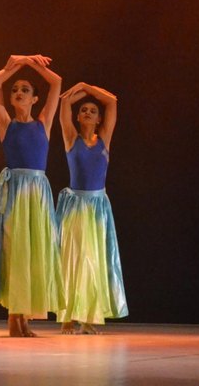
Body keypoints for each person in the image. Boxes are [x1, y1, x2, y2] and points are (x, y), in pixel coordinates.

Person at [0, 54, 64, 337]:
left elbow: (57, 83)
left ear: (34, 99)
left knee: (34, 253)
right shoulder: (6, 122)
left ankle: (24, 319)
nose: (18, 93)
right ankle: (14, 319)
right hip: (16, 192)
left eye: (25, 90)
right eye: (15, 90)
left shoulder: (44, 121)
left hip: (38, 193)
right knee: (15, 251)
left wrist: (32, 64)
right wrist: (16, 63)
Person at [57, 82, 127, 334]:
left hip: (97, 207)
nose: (87, 112)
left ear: (98, 120)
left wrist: (87, 88)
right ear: (77, 116)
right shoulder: (70, 138)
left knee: (94, 261)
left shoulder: (104, 140)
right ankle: (67, 317)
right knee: (73, 261)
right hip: (76, 206)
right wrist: (76, 95)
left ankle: (88, 317)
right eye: (83, 110)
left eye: (92, 111)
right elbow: (63, 103)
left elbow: (112, 102)